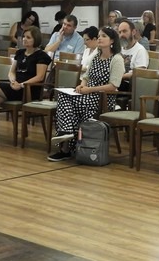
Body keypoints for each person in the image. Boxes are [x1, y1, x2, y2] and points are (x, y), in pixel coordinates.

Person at [48, 27, 125, 162]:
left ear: (112, 40)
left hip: (103, 97)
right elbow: (86, 76)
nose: (100, 38)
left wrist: (89, 89)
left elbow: (113, 85)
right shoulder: (96, 56)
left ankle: (66, 145)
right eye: (99, 36)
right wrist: (82, 85)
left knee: (74, 104)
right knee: (64, 97)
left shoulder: (117, 59)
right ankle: (66, 134)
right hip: (87, 94)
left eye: (104, 36)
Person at [116, 18, 149, 90]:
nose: (121, 35)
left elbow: (139, 72)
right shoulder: (119, 49)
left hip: (129, 86)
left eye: (124, 31)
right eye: (120, 32)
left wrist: (118, 77)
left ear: (133, 32)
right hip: (116, 82)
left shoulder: (140, 50)